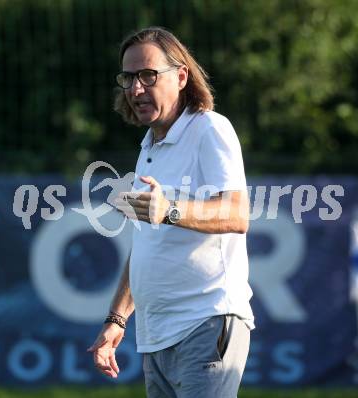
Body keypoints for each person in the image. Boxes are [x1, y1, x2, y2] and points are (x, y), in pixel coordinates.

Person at [88, 26, 255, 398]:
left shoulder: (209, 128)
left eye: (149, 75)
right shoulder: (149, 144)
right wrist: (117, 319)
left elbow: (237, 214)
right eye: (128, 77)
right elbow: (148, 246)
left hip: (206, 323)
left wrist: (171, 210)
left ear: (181, 76)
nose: (135, 89)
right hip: (156, 335)